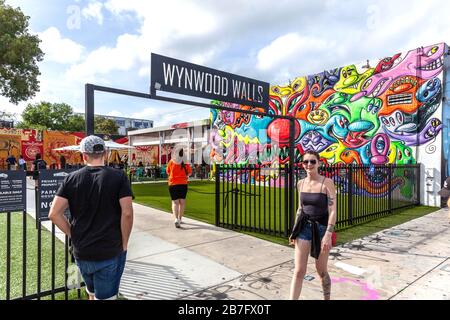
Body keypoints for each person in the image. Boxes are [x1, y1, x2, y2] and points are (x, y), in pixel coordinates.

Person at [48, 135, 134, 300]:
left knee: (91, 292)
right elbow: (127, 213)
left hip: (82, 251)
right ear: (106, 153)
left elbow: (54, 214)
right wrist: (124, 243)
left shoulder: (71, 179)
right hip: (110, 250)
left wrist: (74, 234)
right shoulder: (119, 177)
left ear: (84, 155)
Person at [288, 150, 337, 300]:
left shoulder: (326, 182)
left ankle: (326, 298)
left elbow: (333, 210)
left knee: (321, 270)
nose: (309, 164)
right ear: (302, 164)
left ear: (319, 163)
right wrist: (294, 230)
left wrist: (328, 234)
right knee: (298, 271)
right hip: (303, 229)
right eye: (306, 162)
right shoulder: (300, 184)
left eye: (312, 161)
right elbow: (300, 208)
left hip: (321, 230)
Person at [166, 148, 192, 228]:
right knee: (182, 202)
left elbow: (168, 171)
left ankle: (176, 219)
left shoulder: (171, 161)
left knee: (175, 202)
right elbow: (190, 173)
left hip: (173, 184)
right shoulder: (185, 162)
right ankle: (180, 219)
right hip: (183, 184)